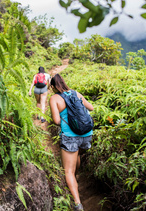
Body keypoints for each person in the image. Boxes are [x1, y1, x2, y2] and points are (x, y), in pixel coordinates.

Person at [49, 74, 94, 211]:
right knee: (77, 155)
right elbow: (91, 107)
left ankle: (77, 204)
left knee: (68, 171)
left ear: (52, 86)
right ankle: (76, 176)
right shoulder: (75, 93)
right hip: (86, 134)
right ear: (63, 82)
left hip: (70, 136)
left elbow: (57, 121)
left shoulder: (54, 98)